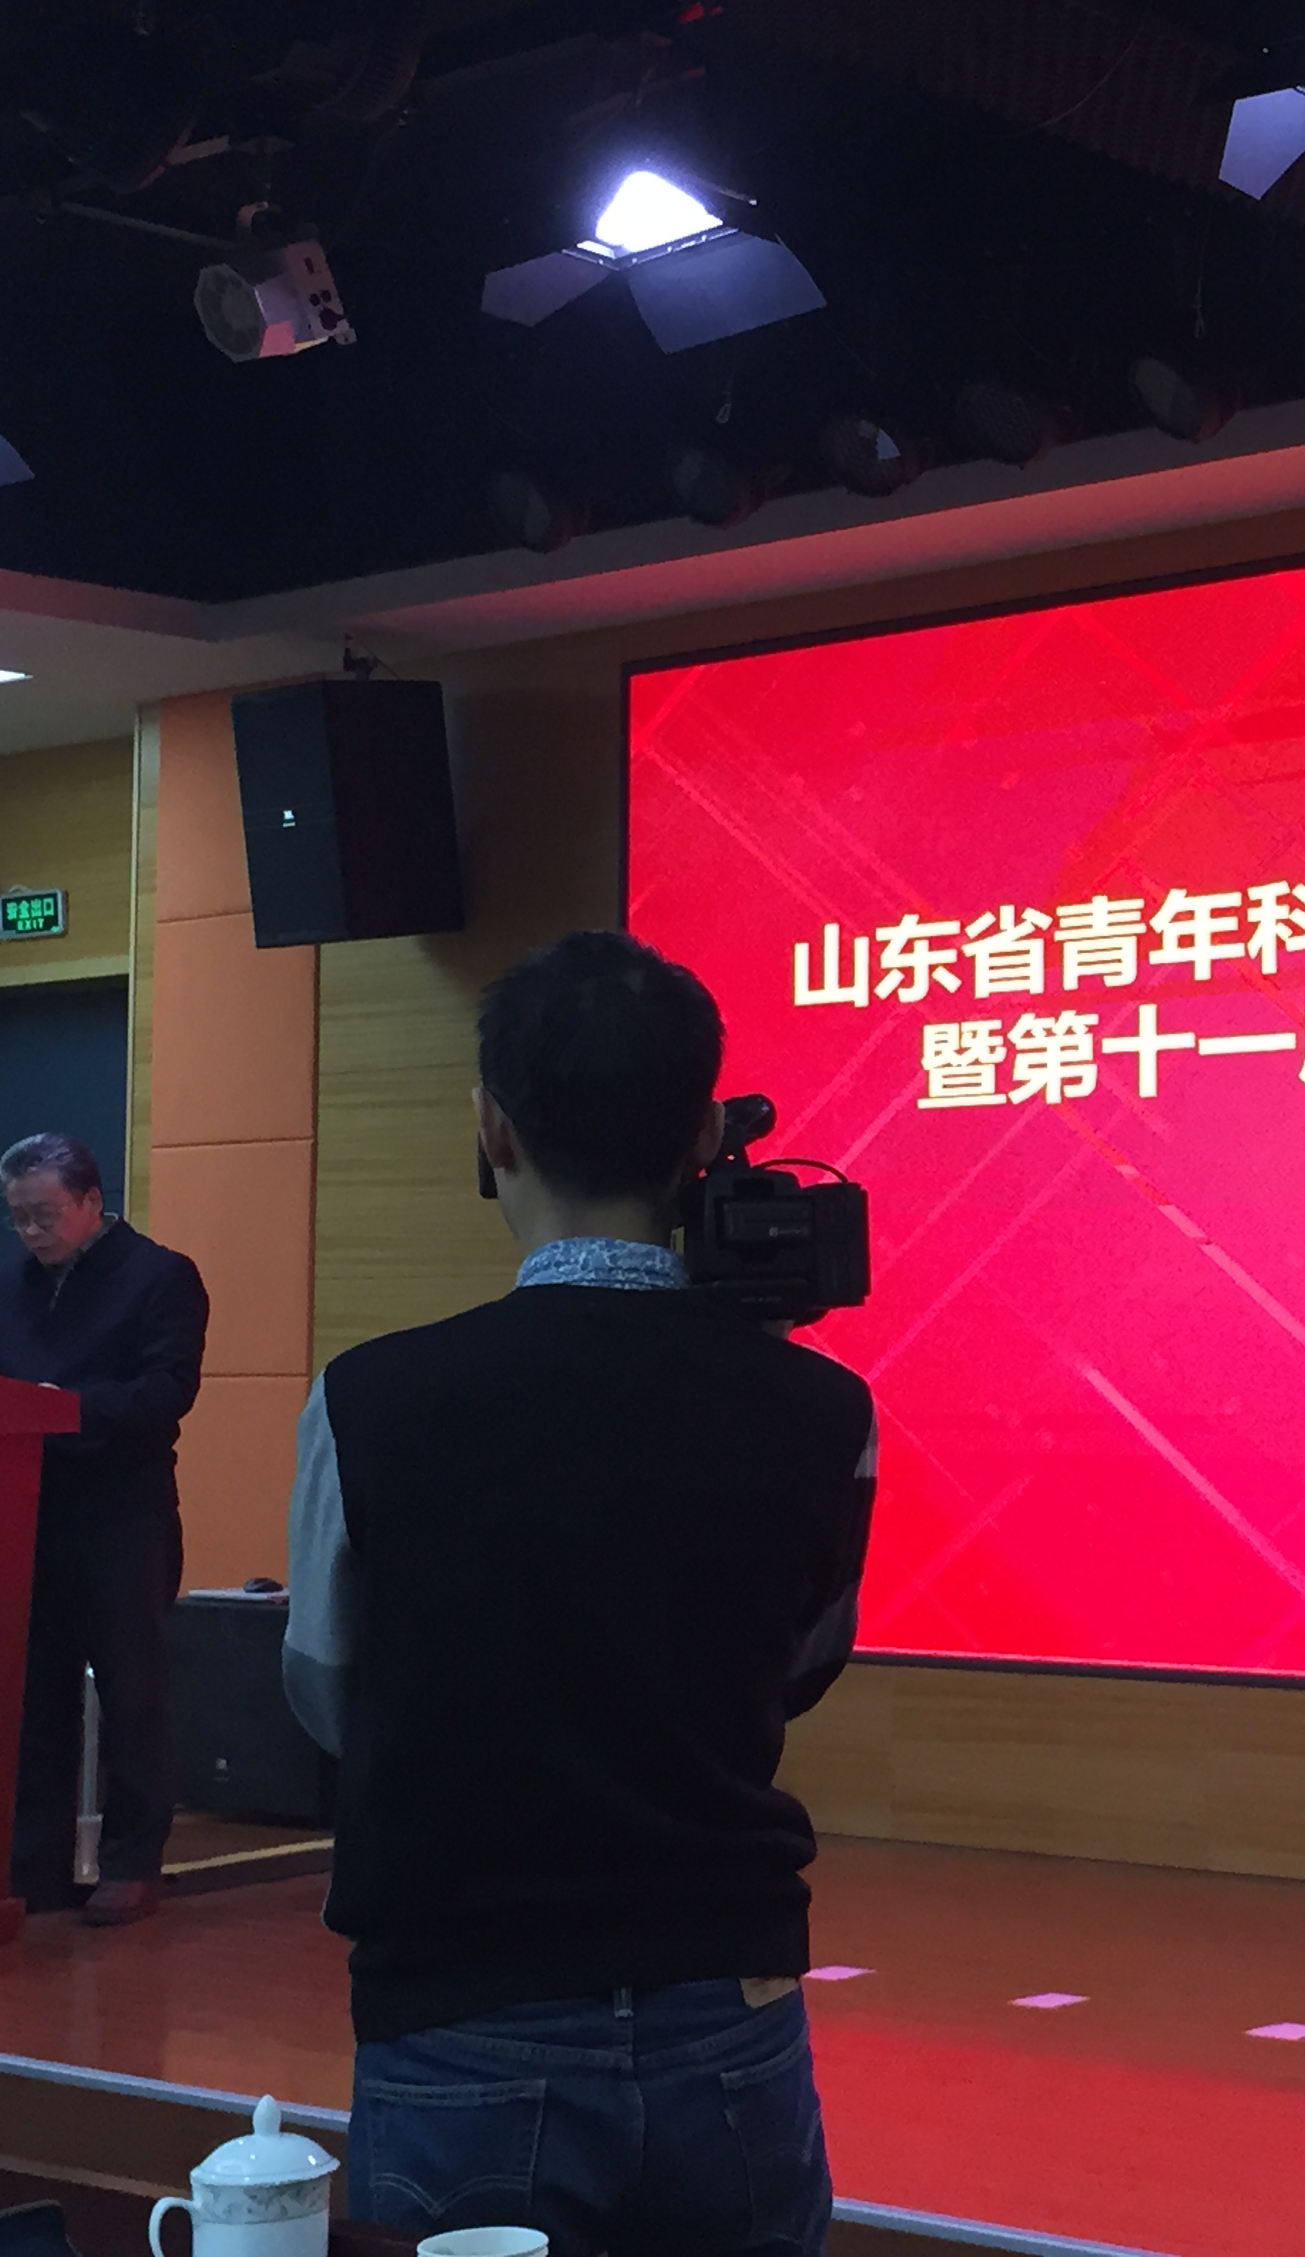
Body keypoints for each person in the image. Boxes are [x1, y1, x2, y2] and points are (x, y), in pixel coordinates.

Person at [283, 930, 876, 2257]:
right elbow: (798, 1660)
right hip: (727, 2006)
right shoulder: (824, 1408)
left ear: (491, 1127)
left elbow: (325, 1687)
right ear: (705, 1134)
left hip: (464, 2008)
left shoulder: (369, 1400)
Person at [0, 1131, 210, 1929]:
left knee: (133, 1696)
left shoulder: (160, 1276)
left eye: (45, 1214)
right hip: (25, 1513)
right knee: (35, 1699)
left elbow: (168, 1389)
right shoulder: (5, 1288)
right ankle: (33, 1867)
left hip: (121, 1516)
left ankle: (131, 1863)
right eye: (18, 1217)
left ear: (92, 1202)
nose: (31, 1231)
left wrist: (64, 1408)